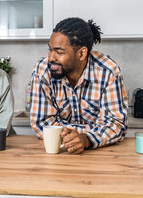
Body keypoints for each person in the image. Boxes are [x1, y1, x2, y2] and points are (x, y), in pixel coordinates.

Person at [30, 17, 128, 154]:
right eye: (50, 50)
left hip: (99, 156)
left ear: (81, 53)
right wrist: (84, 134)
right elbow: (42, 123)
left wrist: (85, 139)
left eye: (59, 52)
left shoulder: (108, 72)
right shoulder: (42, 71)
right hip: (58, 154)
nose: (51, 57)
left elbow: (115, 124)